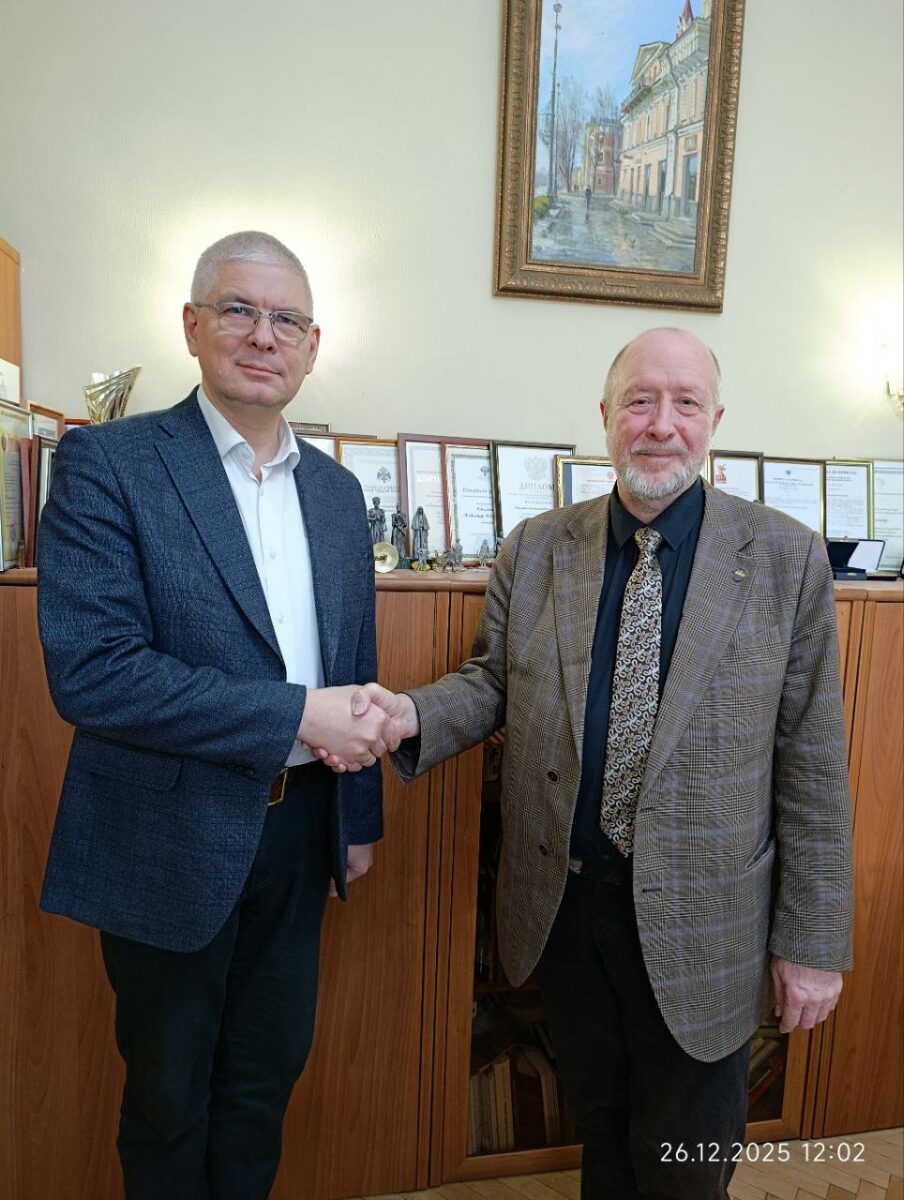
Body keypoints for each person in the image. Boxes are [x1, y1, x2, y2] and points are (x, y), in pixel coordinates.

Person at [338, 328, 853, 1199]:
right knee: (603, 1142)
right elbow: (492, 681)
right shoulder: (538, 546)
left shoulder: (785, 557)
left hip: (706, 925)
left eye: (685, 403)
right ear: (607, 415)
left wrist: (811, 942)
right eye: (640, 401)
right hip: (569, 914)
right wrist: (411, 713)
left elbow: (813, 764)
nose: (661, 424)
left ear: (715, 420)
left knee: (687, 1167)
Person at [37, 230, 400, 1200]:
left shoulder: (336, 493)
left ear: (313, 346)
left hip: (301, 833)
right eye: (238, 309)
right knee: (168, 1098)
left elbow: (353, 667)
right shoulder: (108, 462)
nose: (263, 336)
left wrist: (356, 820)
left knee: (261, 1087)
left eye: (287, 320)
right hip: (166, 829)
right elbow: (95, 673)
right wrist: (296, 716)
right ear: (192, 325)